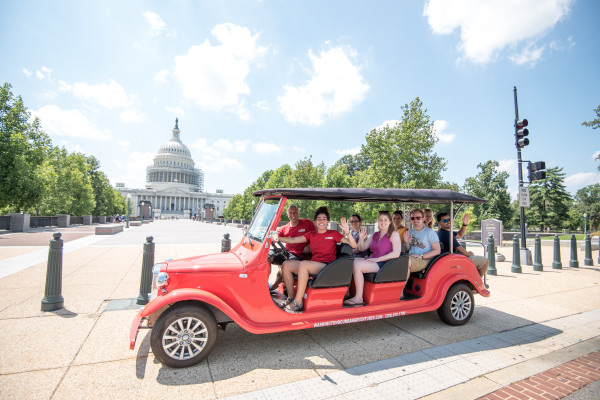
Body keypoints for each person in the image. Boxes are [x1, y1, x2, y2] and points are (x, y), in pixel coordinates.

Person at [276, 206, 356, 313]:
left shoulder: (333, 234)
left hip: (327, 266)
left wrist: (347, 231)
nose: (321, 221)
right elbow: (294, 240)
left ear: (328, 221)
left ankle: (298, 302)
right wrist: (277, 237)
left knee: (304, 264)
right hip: (314, 265)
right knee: (286, 264)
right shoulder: (311, 234)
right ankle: (291, 297)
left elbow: (353, 245)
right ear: (315, 221)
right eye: (319, 218)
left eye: (324, 219)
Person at [343, 211, 401, 307]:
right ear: (378, 221)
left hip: (385, 263)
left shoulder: (394, 234)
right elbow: (362, 248)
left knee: (357, 265)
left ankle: (358, 297)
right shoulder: (375, 235)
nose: (383, 222)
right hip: (373, 260)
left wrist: (378, 259)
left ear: (390, 222)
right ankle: (348, 292)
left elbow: (396, 253)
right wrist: (361, 239)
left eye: (385, 220)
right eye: (380, 220)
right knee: (348, 261)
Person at [270, 205, 315, 289]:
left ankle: (273, 286)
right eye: (290, 212)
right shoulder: (284, 228)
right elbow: (274, 236)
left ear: (299, 213)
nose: (293, 214)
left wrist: (309, 245)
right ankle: (263, 284)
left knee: (283, 268)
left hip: (299, 256)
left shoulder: (307, 223)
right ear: (287, 214)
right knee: (268, 257)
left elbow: (316, 236)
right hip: (286, 253)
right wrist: (276, 223)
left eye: (295, 212)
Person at [436, 212, 488, 278]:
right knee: (485, 261)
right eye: (445, 221)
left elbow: (459, 235)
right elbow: (461, 249)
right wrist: (469, 254)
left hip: (452, 257)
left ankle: (473, 278)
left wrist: (464, 224)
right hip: (454, 260)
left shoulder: (444, 232)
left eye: (449, 220)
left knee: (472, 255)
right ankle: (477, 282)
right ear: (440, 223)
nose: (448, 222)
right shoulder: (446, 234)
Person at [403, 208, 441, 273]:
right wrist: (406, 243)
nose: (415, 220)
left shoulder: (429, 232)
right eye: (413, 218)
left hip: (424, 259)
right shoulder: (410, 232)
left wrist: (421, 256)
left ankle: (403, 283)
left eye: (418, 218)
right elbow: (407, 250)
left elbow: (437, 250)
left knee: (404, 262)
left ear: (423, 219)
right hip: (411, 256)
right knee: (395, 260)